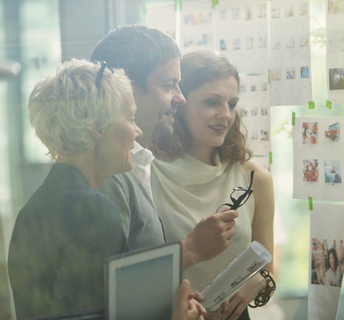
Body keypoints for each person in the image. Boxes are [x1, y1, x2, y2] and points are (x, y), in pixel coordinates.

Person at [8, 59, 205, 320]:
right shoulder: (92, 210)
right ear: (97, 127)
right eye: (131, 118)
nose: (137, 131)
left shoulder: (36, 206)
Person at [91, 25, 238, 271]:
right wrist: (191, 249)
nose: (180, 98)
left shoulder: (138, 160)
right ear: (126, 87)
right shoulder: (108, 171)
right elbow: (107, 285)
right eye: (169, 85)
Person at [150, 51, 275, 320]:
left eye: (231, 104)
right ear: (180, 103)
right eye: (211, 102)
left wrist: (258, 280)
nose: (225, 115)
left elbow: (268, 268)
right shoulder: (148, 172)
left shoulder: (256, 179)